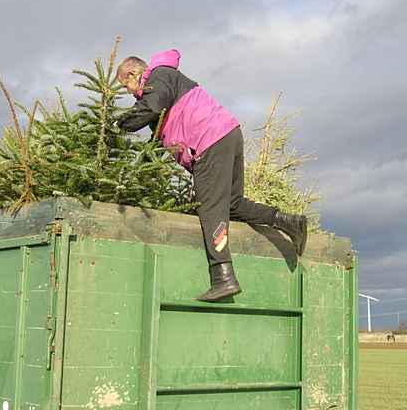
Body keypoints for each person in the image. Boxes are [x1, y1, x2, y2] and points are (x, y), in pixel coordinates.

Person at [115, 49, 307, 302]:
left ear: (133, 73)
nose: (127, 90)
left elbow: (151, 107)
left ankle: (223, 277)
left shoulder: (159, 76)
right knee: (231, 204)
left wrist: (117, 124)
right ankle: (287, 221)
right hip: (226, 133)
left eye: (125, 84)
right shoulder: (164, 83)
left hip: (209, 140)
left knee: (209, 208)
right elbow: (158, 132)